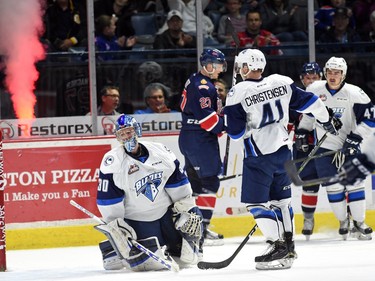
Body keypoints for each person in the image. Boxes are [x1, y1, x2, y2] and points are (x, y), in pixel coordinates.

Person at [223, 48, 341, 270]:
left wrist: (227, 116)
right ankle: (289, 246)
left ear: (247, 67)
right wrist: (327, 119)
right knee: (282, 201)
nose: (239, 70)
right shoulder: (281, 82)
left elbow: (235, 134)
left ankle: (277, 244)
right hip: (283, 152)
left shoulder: (237, 92)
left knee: (255, 203)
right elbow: (312, 102)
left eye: (241, 66)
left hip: (258, 155)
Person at [95, 114, 203, 271]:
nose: (126, 137)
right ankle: (112, 249)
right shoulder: (113, 162)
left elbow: (181, 189)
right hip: (138, 220)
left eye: (129, 132)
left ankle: (184, 244)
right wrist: (119, 231)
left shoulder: (160, 151)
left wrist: (187, 212)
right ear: (117, 137)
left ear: (137, 131)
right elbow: (109, 203)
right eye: (122, 134)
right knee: (149, 264)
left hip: (166, 216)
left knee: (186, 255)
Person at [297, 56, 374, 241]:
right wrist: (302, 131)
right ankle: (343, 221)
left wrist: (355, 137)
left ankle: (360, 222)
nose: (333, 76)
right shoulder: (314, 89)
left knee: (355, 184)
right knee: (333, 186)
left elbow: (371, 119)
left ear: (343, 74)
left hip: (351, 148)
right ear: (325, 73)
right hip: (325, 148)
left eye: (337, 73)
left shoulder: (355, 93)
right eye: (330, 72)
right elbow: (309, 115)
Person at [179, 48, 227, 246]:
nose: (221, 70)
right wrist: (226, 125)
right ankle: (202, 230)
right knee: (209, 183)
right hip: (199, 139)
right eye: (218, 66)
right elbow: (208, 120)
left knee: (196, 186)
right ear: (208, 65)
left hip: (192, 138)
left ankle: (195, 228)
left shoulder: (196, 80)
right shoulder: (203, 87)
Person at [289, 62, 323, 239]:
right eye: (307, 78)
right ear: (302, 79)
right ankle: (308, 219)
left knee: (340, 183)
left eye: (314, 77)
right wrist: (296, 136)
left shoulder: (327, 95)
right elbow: (288, 121)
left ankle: (347, 219)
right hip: (305, 147)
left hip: (330, 144)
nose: (310, 81)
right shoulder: (295, 97)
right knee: (309, 183)